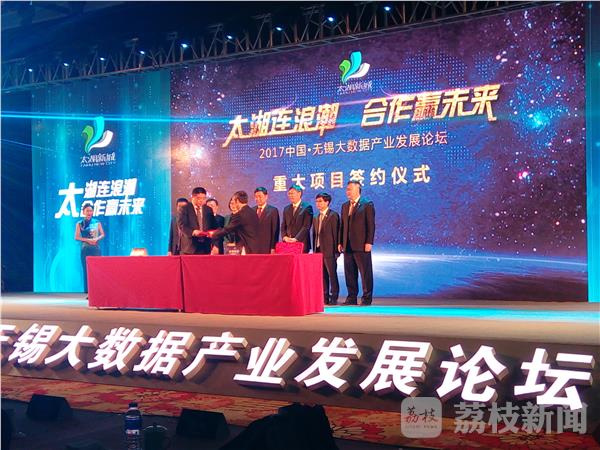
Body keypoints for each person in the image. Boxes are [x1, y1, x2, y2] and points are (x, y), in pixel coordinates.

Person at [338, 181, 375, 305]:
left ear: (358, 189)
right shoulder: (345, 206)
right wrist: (340, 242)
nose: (347, 192)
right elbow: (342, 226)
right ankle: (351, 297)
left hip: (361, 244)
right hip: (347, 244)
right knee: (349, 273)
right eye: (347, 189)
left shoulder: (367, 204)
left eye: (350, 189)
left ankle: (366, 298)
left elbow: (371, 225)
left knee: (365, 273)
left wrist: (369, 242)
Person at [313, 192, 340, 305]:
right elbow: (315, 234)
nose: (318, 204)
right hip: (318, 249)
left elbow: (337, 233)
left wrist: (336, 250)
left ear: (327, 202)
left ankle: (334, 297)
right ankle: (324, 297)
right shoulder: (316, 217)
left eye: (320, 201)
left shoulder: (333, 215)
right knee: (322, 275)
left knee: (332, 274)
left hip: (330, 250)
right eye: (317, 201)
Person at [75, 203, 105, 292]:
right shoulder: (79, 224)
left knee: (97, 270)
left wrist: (97, 239)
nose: (89, 212)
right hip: (85, 249)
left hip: (95, 248)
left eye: (91, 211)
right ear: (83, 212)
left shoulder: (97, 222)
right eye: (87, 211)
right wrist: (87, 240)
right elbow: (76, 237)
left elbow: (102, 234)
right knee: (86, 270)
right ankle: (88, 291)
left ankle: (98, 290)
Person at [177, 187, 216, 255]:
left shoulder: (208, 209)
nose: (201, 200)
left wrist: (214, 243)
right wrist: (193, 232)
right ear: (192, 197)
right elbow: (181, 225)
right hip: (189, 247)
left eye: (203, 198)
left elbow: (214, 226)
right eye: (198, 198)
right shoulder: (184, 208)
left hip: (205, 246)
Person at [281, 184, 313, 253]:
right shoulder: (286, 208)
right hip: (288, 244)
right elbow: (283, 225)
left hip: (302, 243)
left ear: (299, 193)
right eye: (289, 194)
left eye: (292, 193)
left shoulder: (307, 207)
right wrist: (284, 237)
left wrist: (296, 239)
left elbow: (306, 226)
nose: (290, 195)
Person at [253, 187, 280, 254]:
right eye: (256, 197)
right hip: (253, 247)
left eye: (260, 196)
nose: (257, 199)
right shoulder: (252, 210)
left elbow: (275, 231)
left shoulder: (273, 211)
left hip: (267, 246)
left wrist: (273, 247)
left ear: (266, 197)